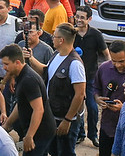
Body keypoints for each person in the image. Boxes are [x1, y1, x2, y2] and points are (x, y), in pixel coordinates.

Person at [28, 23, 86, 156]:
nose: (52, 38)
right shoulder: (56, 55)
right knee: (54, 151)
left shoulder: (75, 64)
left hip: (65, 119)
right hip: (53, 116)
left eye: (54, 36)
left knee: (65, 152)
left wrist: (68, 120)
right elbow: (46, 71)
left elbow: (80, 94)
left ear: (61, 40)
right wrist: (31, 58)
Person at [73, 6, 109, 147]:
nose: (79, 20)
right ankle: (80, 134)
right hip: (75, 78)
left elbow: (106, 54)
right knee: (77, 107)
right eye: (77, 16)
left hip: (91, 77)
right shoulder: (72, 33)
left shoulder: (96, 34)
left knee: (92, 108)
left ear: (89, 19)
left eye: (82, 17)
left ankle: (93, 135)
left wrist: (109, 70)